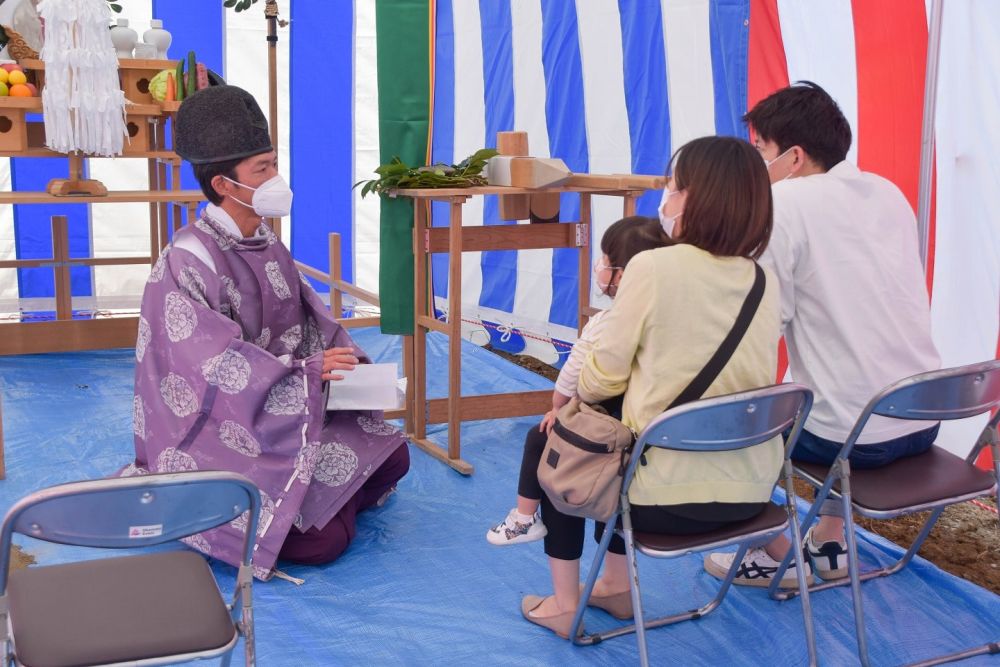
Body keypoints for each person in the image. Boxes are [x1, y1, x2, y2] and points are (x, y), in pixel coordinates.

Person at [124, 85, 410, 580]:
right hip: (218, 428)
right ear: (223, 184)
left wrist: (343, 364)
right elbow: (207, 370)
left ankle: (312, 505)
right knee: (327, 543)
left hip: (284, 408)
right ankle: (307, 511)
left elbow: (314, 324)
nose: (276, 178)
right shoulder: (187, 261)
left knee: (394, 456)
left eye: (274, 164)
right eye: (263, 170)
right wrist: (305, 375)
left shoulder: (267, 243)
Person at [520, 136, 785, 638]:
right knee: (625, 441)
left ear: (694, 198)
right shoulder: (761, 279)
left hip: (659, 499)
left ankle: (563, 604)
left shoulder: (652, 267)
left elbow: (600, 379)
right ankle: (616, 588)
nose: (666, 197)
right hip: (751, 496)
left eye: (673, 186)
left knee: (570, 448)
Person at [704, 82, 940, 588]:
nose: (755, 165)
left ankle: (776, 554)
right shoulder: (887, 192)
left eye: (759, 151)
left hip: (851, 439)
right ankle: (829, 538)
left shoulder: (783, 204)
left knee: (730, 417)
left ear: (793, 157)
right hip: (923, 416)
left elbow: (762, 323)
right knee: (831, 383)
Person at [486, 216, 672, 546]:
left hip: (609, 434)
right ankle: (615, 582)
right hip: (652, 441)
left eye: (606, 260)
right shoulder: (667, 320)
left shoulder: (607, 322)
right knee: (614, 496)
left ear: (624, 275)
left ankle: (524, 517)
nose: (600, 266)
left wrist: (560, 407)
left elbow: (574, 376)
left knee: (541, 437)